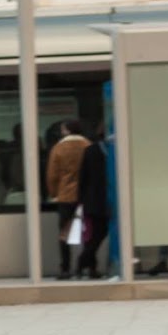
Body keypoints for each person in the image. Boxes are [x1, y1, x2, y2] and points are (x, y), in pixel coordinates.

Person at [46, 119, 91, 280]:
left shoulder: (58, 148)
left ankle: (65, 268)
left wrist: (54, 193)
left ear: (66, 131)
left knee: (64, 233)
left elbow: (52, 175)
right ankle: (90, 266)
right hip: (86, 195)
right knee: (88, 232)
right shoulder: (88, 145)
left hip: (65, 195)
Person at [75, 124, 112, 280]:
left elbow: (82, 178)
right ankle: (83, 263)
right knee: (98, 234)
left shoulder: (90, 150)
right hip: (102, 199)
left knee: (94, 235)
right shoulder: (114, 151)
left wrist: (81, 199)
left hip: (93, 200)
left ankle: (90, 267)